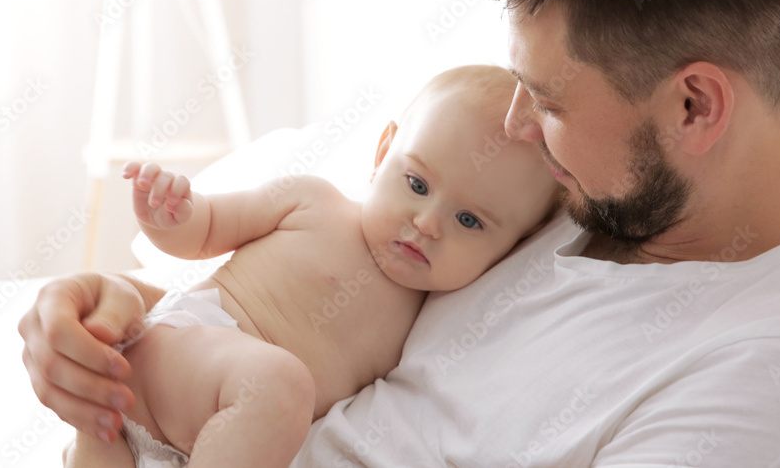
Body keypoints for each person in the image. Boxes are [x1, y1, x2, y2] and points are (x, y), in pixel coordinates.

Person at [21, 0, 780, 466]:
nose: (517, 125)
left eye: (551, 100)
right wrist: (99, 318)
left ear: (693, 107)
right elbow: (298, 304)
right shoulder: (572, 191)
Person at [62, 65, 561, 467]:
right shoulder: (313, 202)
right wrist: (170, 213)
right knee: (281, 384)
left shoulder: (435, 322)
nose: (427, 223)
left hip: (191, 443)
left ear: (516, 246)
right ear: (383, 152)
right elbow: (205, 231)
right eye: (416, 185)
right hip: (179, 352)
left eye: (469, 220)